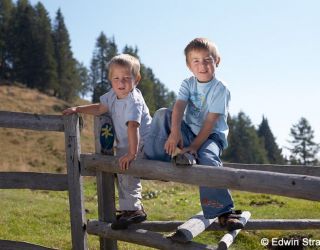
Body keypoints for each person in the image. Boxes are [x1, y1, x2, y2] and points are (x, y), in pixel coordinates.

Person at [144, 38, 244, 231]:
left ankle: (224, 211)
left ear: (217, 61)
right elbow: (179, 107)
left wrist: (194, 147)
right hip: (188, 132)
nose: (202, 65)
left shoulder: (220, 88)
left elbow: (210, 122)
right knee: (163, 113)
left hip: (211, 136)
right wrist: (174, 133)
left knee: (208, 158)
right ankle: (156, 163)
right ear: (189, 66)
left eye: (207, 59)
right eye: (196, 61)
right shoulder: (188, 83)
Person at [63, 54, 152, 230]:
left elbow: (133, 126)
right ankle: (129, 209)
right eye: (116, 78)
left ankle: (134, 210)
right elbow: (99, 108)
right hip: (126, 144)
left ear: (137, 79)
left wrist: (132, 153)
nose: (121, 82)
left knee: (127, 169)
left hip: (142, 143)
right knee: (122, 173)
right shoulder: (112, 96)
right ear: (110, 80)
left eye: (127, 78)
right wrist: (77, 109)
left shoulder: (134, 101)